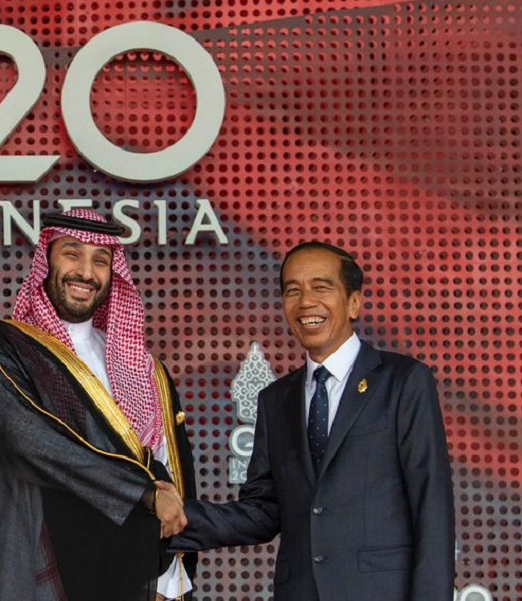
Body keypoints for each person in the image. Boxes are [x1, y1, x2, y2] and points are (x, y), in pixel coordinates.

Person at [166, 241, 454, 601]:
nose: (305, 302)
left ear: (354, 302)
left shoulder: (403, 381)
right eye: (293, 291)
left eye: (321, 287)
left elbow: (431, 505)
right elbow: (263, 511)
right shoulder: (275, 400)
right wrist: (171, 517)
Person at [0, 208, 197, 601]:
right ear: (46, 260)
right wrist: (142, 493)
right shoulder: (0, 348)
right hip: (45, 578)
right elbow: (33, 443)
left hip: (133, 576)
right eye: (71, 253)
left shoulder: (144, 367)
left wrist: (170, 581)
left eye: (100, 260)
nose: (86, 272)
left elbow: (168, 473)